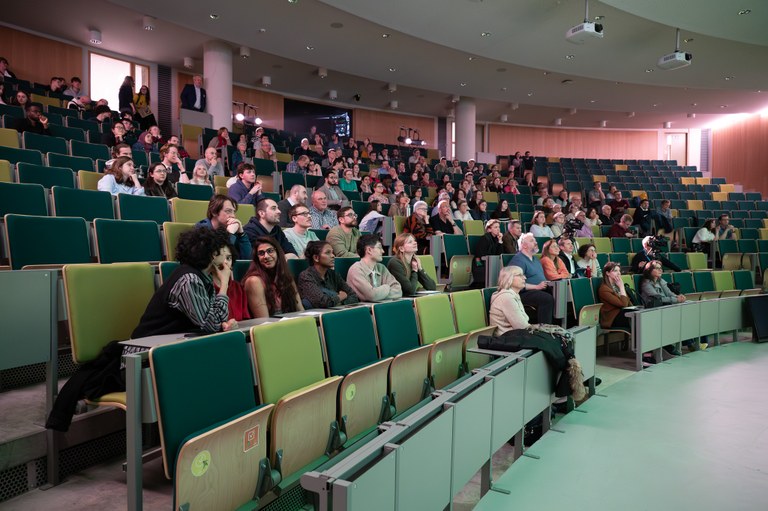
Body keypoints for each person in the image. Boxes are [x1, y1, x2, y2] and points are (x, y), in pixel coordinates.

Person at [484, 266, 586, 402]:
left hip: (517, 334)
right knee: (549, 342)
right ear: (509, 279)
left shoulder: (513, 295)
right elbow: (522, 325)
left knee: (559, 338)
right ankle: (562, 388)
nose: (524, 278)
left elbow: (523, 324)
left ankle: (566, 386)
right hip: (507, 337)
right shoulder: (506, 297)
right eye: (520, 275)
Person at [132, 227, 234, 338]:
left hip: (173, 340)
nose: (227, 259)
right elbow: (212, 326)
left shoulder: (205, 278)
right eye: (224, 252)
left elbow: (216, 320)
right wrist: (224, 284)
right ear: (213, 254)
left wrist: (224, 325)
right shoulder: (189, 279)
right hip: (147, 343)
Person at [242, 237, 303, 318]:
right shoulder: (254, 281)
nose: (266, 256)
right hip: (271, 324)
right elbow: (263, 320)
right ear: (257, 258)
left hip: (292, 322)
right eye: (261, 253)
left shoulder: (286, 276)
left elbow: (300, 310)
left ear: (278, 253)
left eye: (270, 251)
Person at [297, 241, 360, 308]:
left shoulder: (333, 274)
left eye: (332, 252)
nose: (333, 256)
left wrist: (338, 302)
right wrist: (341, 297)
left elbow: (353, 296)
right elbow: (322, 302)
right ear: (316, 258)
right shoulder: (306, 276)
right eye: (327, 253)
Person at [509, 233, 555, 323]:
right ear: (524, 245)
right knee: (546, 298)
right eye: (532, 241)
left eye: (535, 240)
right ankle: (545, 328)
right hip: (524, 293)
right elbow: (513, 282)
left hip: (540, 289)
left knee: (559, 295)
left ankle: (559, 325)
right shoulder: (518, 260)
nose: (536, 242)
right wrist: (536, 287)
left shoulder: (536, 260)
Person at [346, 234, 403, 302]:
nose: (383, 251)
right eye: (379, 247)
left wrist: (378, 294)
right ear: (369, 250)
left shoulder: (381, 268)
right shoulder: (356, 270)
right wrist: (387, 287)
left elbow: (398, 291)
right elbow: (372, 296)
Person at [597, 262, 633, 330]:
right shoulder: (604, 289)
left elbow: (627, 301)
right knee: (636, 318)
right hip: (612, 319)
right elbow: (623, 304)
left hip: (621, 314)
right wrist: (622, 287)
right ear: (607, 273)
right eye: (615, 271)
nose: (619, 273)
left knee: (640, 315)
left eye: (619, 271)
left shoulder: (617, 286)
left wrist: (635, 309)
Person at [473, 219, 505, 285]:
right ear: (489, 229)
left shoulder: (497, 239)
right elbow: (480, 255)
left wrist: (500, 241)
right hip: (482, 265)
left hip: (493, 263)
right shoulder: (484, 239)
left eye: (498, 227)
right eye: (495, 227)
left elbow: (499, 254)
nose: (498, 229)